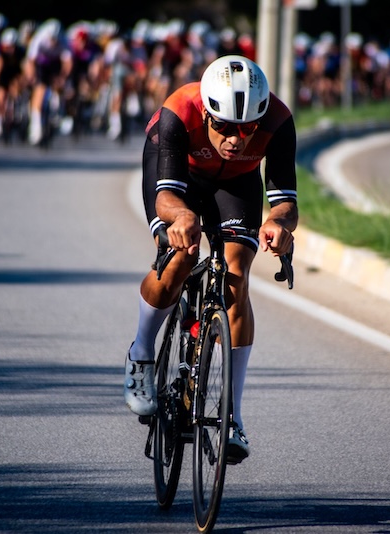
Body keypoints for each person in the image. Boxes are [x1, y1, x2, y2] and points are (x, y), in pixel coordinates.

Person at [124, 55, 298, 463]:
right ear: (206, 111)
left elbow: (286, 202)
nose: (235, 139)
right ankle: (141, 353)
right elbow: (165, 196)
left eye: (246, 129)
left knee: (236, 278)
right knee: (179, 258)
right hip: (179, 179)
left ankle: (232, 415)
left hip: (237, 183)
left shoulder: (278, 120)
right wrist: (183, 216)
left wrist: (278, 224)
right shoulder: (178, 112)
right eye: (223, 126)